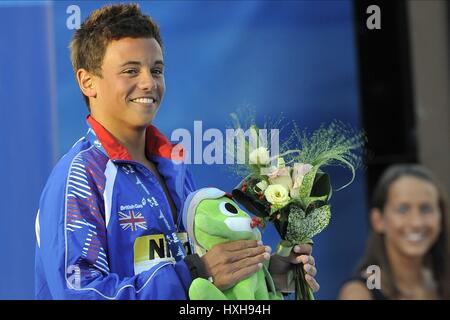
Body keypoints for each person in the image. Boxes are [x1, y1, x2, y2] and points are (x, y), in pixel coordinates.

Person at [34, 3, 319, 299]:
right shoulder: (80, 177)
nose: (148, 82)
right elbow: (78, 292)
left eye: (156, 70)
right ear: (87, 81)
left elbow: (203, 280)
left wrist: (262, 276)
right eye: (131, 71)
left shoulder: (173, 167)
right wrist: (190, 274)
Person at [338, 164, 450, 300]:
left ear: (441, 217)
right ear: (378, 220)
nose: (416, 222)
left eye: (425, 209)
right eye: (402, 209)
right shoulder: (360, 293)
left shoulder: (440, 284)